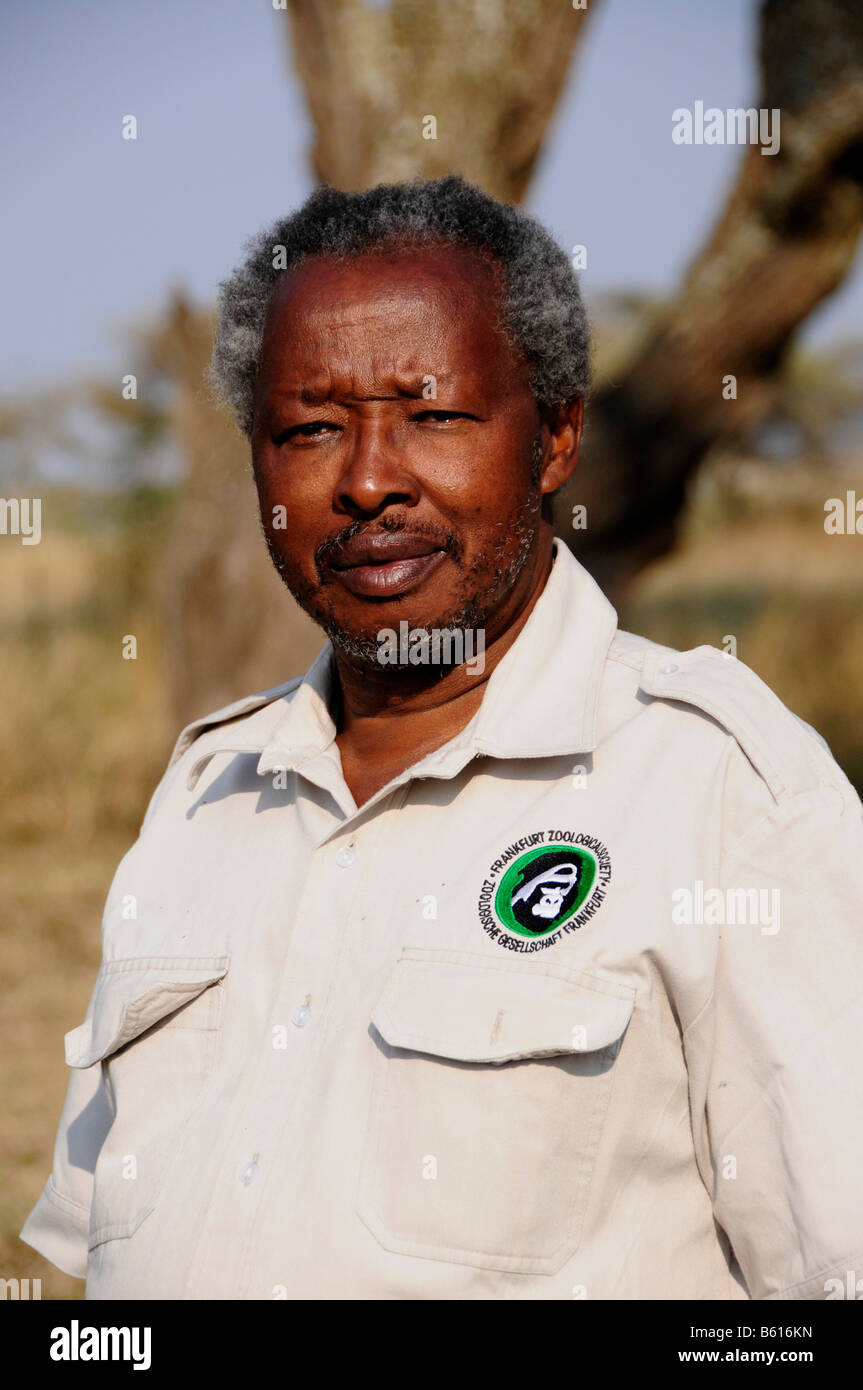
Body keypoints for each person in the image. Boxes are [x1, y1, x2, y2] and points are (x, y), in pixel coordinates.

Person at [22, 176, 863, 1300]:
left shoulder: (718, 795)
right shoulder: (203, 797)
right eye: (308, 428)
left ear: (555, 434)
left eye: (433, 415)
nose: (367, 480)